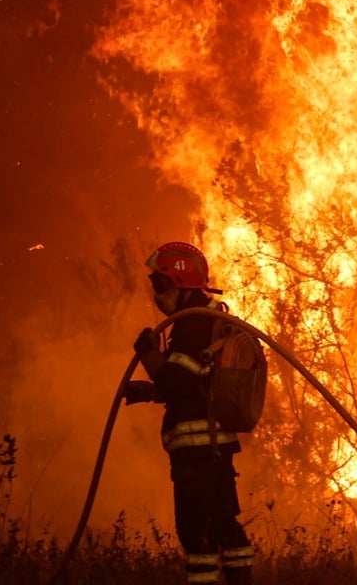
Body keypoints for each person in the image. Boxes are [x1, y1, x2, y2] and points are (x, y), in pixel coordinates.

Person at [122, 241, 255, 585]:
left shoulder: (193, 323)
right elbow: (194, 385)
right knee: (222, 524)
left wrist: (149, 354)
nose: (155, 293)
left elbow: (176, 382)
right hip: (212, 447)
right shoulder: (204, 318)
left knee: (197, 532)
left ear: (179, 282)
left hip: (198, 451)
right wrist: (150, 391)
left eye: (159, 283)